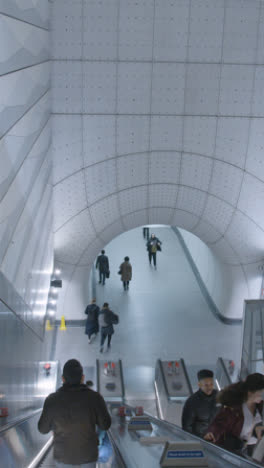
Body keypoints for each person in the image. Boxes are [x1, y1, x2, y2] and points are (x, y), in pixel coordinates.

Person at [38, 359, 111, 467]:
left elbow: (43, 429)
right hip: (88, 457)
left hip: (63, 458)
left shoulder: (52, 400)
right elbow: (105, 425)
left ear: (63, 379)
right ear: (82, 378)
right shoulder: (95, 398)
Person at [204, 373, 264, 457]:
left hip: (253, 451)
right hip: (235, 452)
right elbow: (219, 424)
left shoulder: (259, 405)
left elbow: (254, 425)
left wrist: (257, 429)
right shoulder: (233, 408)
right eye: (260, 394)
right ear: (250, 392)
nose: (262, 397)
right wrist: (211, 433)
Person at [181, 369, 218, 438]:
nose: (209, 387)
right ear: (199, 385)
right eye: (206, 385)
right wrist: (202, 436)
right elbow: (186, 428)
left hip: (218, 438)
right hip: (200, 440)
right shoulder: (192, 402)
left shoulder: (219, 397)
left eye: (211, 384)